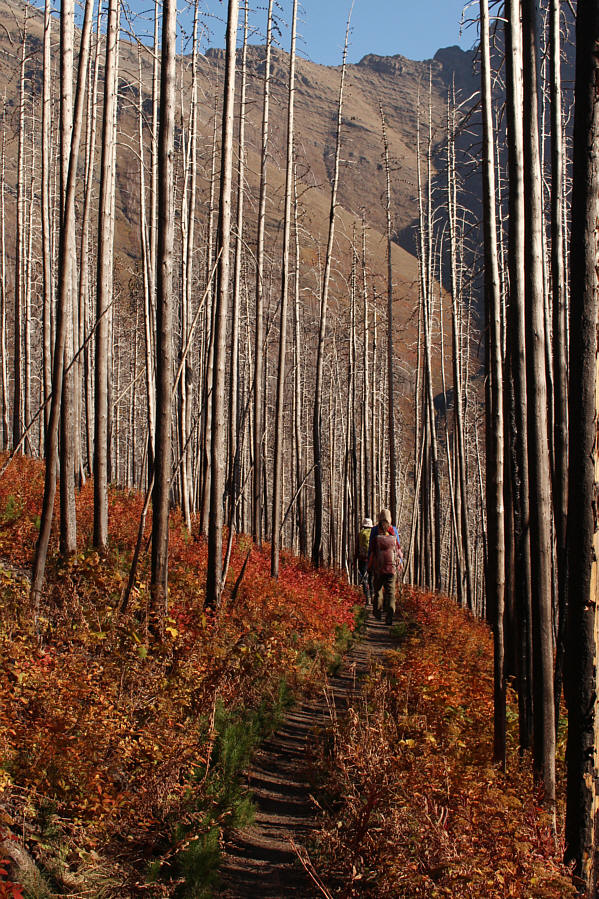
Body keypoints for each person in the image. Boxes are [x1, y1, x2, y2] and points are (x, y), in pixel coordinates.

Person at [368, 508, 403, 625]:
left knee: (378, 590)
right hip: (391, 568)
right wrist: (400, 562)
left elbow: (371, 550)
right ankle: (390, 616)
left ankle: (377, 612)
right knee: (391, 592)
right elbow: (398, 548)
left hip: (378, 567)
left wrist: (370, 564)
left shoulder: (374, 530)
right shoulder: (394, 530)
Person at [355, 517, 373, 603]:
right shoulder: (373, 533)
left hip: (362, 558)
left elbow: (357, 547)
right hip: (372, 558)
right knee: (371, 577)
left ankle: (366, 597)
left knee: (363, 577)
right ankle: (372, 595)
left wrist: (355, 558)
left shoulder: (360, 533)